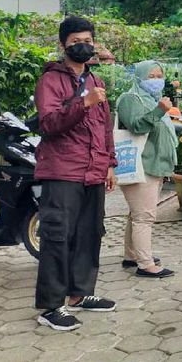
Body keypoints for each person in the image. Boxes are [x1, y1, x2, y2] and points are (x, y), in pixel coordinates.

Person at [33, 16, 117, 331]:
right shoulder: (50, 80)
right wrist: (83, 103)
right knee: (57, 236)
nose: (82, 46)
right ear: (63, 45)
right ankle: (51, 306)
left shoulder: (96, 81)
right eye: (75, 41)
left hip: (94, 170)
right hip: (62, 170)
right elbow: (49, 124)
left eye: (87, 41)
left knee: (89, 234)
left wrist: (109, 164)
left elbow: (104, 127)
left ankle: (80, 293)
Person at [116, 61, 177, 277]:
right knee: (144, 217)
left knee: (137, 214)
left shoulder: (151, 99)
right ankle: (145, 264)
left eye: (159, 75)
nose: (156, 80)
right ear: (140, 77)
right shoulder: (130, 98)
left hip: (153, 164)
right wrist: (160, 110)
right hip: (141, 165)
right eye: (151, 76)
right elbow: (136, 126)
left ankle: (131, 256)